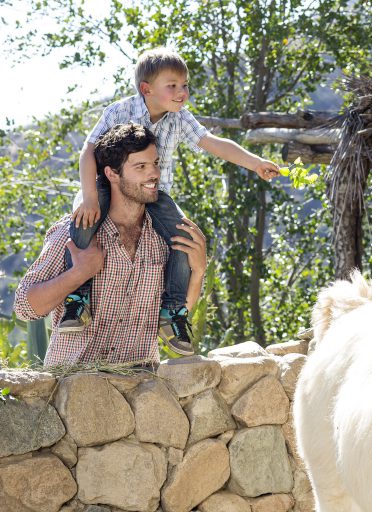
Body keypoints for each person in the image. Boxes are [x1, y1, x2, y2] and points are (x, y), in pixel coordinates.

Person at [61, 47, 279, 355]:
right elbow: (88, 152)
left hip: (153, 191)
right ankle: (78, 299)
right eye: (172, 85)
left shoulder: (180, 119)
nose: (182, 92)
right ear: (146, 89)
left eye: (185, 85)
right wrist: (89, 196)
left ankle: (172, 311)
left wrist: (255, 163)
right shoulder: (119, 111)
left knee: (184, 236)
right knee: (84, 219)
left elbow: (214, 143)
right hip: (109, 183)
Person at [14, 123, 207, 367]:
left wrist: (198, 272)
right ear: (112, 174)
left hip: (140, 391)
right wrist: (79, 273)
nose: (154, 174)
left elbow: (173, 316)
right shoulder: (72, 232)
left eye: (156, 163)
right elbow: (24, 307)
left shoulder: (167, 240)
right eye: (141, 167)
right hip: (71, 388)